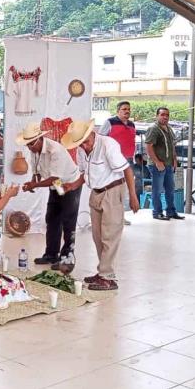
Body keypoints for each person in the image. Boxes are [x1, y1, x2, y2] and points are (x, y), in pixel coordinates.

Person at [61, 120, 140, 291]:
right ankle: (103, 271)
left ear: (92, 133)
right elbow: (84, 173)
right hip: (96, 192)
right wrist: (73, 185)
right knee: (97, 236)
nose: (85, 146)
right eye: (80, 144)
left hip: (112, 191)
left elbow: (127, 170)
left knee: (110, 236)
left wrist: (133, 196)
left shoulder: (108, 145)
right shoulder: (81, 150)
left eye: (86, 142)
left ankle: (108, 277)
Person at [17, 123, 83, 269]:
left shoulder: (55, 150)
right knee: (52, 218)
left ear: (40, 138)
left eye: (32, 144)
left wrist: (34, 185)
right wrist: (34, 180)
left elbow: (54, 178)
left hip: (69, 184)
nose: (30, 147)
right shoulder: (34, 150)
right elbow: (37, 171)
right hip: (57, 185)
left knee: (68, 221)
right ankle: (51, 254)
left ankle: (67, 257)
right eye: (27, 144)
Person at [99, 101, 136, 225]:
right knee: (111, 189)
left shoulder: (132, 125)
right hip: (112, 162)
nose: (127, 111)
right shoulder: (110, 122)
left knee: (123, 190)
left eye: (128, 109)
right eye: (124, 109)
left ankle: (121, 216)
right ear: (118, 111)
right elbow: (100, 140)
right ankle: (107, 216)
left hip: (128, 161)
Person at [145, 107, 185, 221]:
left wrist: (175, 160)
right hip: (157, 164)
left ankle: (171, 211)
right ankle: (157, 212)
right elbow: (148, 146)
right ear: (157, 116)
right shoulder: (154, 129)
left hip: (168, 164)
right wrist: (157, 162)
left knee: (170, 189)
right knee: (157, 190)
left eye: (167, 115)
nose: (165, 117)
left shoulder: (169, 129)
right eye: (162, 115)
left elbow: (172, 145)